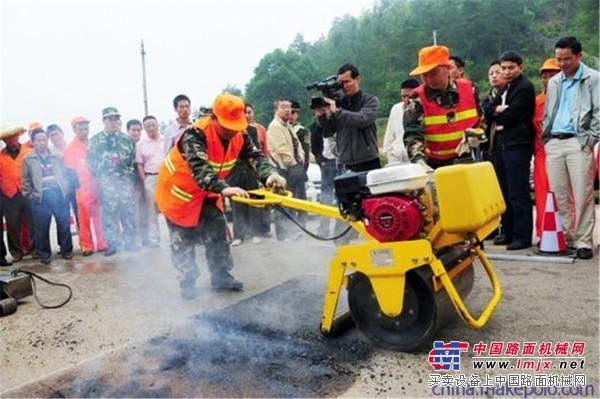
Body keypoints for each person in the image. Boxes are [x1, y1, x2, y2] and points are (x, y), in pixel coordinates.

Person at [155, 93, 286, 299]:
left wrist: (269, 175)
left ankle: (221, 275)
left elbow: (255, 156)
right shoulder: (195, 134)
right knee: (184, 239)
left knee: (217, 229)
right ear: (214, 118)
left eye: (234, 127)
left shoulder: (239, 133)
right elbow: (201, 170)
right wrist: (225, 188)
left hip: (208, 191)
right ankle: (187, 280)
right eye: (226, 127)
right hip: (178, 194)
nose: (231, 132)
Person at [542, 36, 598, 260]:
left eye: (567, 59)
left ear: (578, 56)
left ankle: (584, 241)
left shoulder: (593, 78)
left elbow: (598, 112)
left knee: (583, 192)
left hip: (578, 140)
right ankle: (566, 236)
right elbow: (548, 111)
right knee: (559, 194)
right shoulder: (555, 81)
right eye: (558, 59)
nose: (562, 64)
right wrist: (547, 139)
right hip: (554, 141)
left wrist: (589, 139)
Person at [484, 50, 535, 250]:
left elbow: (513, 116)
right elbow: (487, 111)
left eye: (511, 68)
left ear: (520, 68)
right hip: (501, 143)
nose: (506, 72)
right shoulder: (505, 88)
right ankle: (508, 231)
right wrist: (496, 111)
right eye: (503, 68)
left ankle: (522, 236)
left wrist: (498, 113)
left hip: (517, 143)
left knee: (518, 191)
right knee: (503, 190)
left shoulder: (524, 87)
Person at [404, 45, 481, 169]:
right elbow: (412, 135)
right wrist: (420, 162)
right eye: (424, 75)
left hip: (468, 158)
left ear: (447, 69)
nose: (429, 79)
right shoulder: (417, 98)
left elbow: (482, 120)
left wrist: (477, 135)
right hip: (434, 164)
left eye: (434, 73)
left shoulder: (470, 89)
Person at [87, 107, 137, 256]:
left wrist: (126, 177)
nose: (114, 121)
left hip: (125, 183)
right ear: (104, 120)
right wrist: (103, 175)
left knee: (127, 212)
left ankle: (130, 242)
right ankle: (112, 244)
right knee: (109, 214)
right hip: (107, 183)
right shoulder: (95, 141)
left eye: (116, 118)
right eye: (110, 119)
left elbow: (132, 160)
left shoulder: (126, 140)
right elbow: (90, 162)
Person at [21, 128, 73, 264]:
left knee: (63, 224)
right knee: (41, 228)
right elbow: (25, 181)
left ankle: (66, 250)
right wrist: (31, 195)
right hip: (41, 197)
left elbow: (65, 174)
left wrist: (65, 189)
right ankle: (44, 255)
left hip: (58, 195)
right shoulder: (28, 159)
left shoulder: (57, 155)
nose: (42, 143)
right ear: (33, 142)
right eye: (39, 140)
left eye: (44, 139)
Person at [317, 63, 381, 172]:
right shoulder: (338, 103)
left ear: (357, 79)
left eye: (347, 82)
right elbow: (328, 132)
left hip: (368, 160)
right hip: (344, 162)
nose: (344, 86)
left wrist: (337, 111)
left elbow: (362, 119)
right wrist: (321, 116)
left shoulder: (370, 100)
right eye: (341, 83)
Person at [63, 116, 108, 256]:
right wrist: (76, 187)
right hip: (82, 187)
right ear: (74, 130)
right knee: (84, 217)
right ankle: (87, 245)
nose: (84, 131)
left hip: (96, 185)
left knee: (99, 216)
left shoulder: (93, 143)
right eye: (80, 128)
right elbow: (69, 170)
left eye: (86, 128)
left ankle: (102, 243)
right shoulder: (71, 148)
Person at [267, 99, 306, 241]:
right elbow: (282, 150)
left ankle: (290, 231)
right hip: (282, 170)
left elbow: (298, 144)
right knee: (283, 203)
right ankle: (283, 235)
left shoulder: (288, 125)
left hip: (292, 167)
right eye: (283, 107)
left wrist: (301, 156)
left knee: (292, 202)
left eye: (289, 107)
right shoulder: (275, 126)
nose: (287, 110)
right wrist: (294, 164)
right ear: (276, 110)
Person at [532, 58, 561, 240]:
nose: (548, 78)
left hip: (564, 149)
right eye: (545, 75)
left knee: (566, 193)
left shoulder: (570, 99)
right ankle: (544, 233)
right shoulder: (536, 102)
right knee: (543, 194)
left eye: (553, 74)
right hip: (542, 153)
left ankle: (568, 232)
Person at [0, 125, 33, 262]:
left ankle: (35, 249)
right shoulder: (0, 156)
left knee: (33, 223)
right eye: (8, 138)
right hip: (9, 195)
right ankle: (16, 253)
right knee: (13, 227)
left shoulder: (29, 152)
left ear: (19, 136)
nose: (11, 140)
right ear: (4, 140)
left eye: (14, 136)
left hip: (27, 192)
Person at [310, 98, 341, 237]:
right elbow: (315, 147)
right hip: (327, 163)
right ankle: (324, 227)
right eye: (319, 109)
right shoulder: (314, 126)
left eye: (325, 108)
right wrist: (321, 161)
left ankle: (344, 228)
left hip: (341, 162)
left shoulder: (338, 121)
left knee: (343, 197)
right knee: (325, 197)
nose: (323, 111)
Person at [135, 115, 165, 248]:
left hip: (167, 178)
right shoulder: (140, 144)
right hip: (150, 178)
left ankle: (176, 237)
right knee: (151, 210)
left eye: (153, 125)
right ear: (144, 129)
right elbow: (140, 164)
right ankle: (154, 240)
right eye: (147, 126)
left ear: (158, 124)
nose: (151, 128)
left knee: (171, 208)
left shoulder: (167, 140)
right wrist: (145, 180)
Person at [244, 102, 271, 237]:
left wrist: (266, 168)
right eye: (245, 112)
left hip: (258, 166)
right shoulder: (238, 130)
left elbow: (264, 149)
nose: (247, 115)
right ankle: (245, 232)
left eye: (249, 112)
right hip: (242, 169)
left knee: (261, 199)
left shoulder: (259, 129)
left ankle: (262, 230)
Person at [382, 78, 420, 164]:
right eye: (403, 96)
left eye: (409, 96)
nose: (406, 100)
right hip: (396, 160)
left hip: (415, 160)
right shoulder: (396, 109)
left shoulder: (424, 110)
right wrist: (388, 154)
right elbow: (389, 136)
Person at [127, 119, 148, 247]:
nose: (136, 133)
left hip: (144, 181)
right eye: (133, 130)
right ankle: (135, 239)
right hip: (131, 184)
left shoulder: (144, 144)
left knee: (145, 210)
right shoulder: (125, 145)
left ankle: (146, 238)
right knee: (134, 212)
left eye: (138, 130)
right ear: (128, 131)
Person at [290, 100, 311, 170]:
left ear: (297, 114)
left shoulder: (301, 131)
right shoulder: (279, 129)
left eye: (292, 112)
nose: (290, 115)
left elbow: (306, 154)